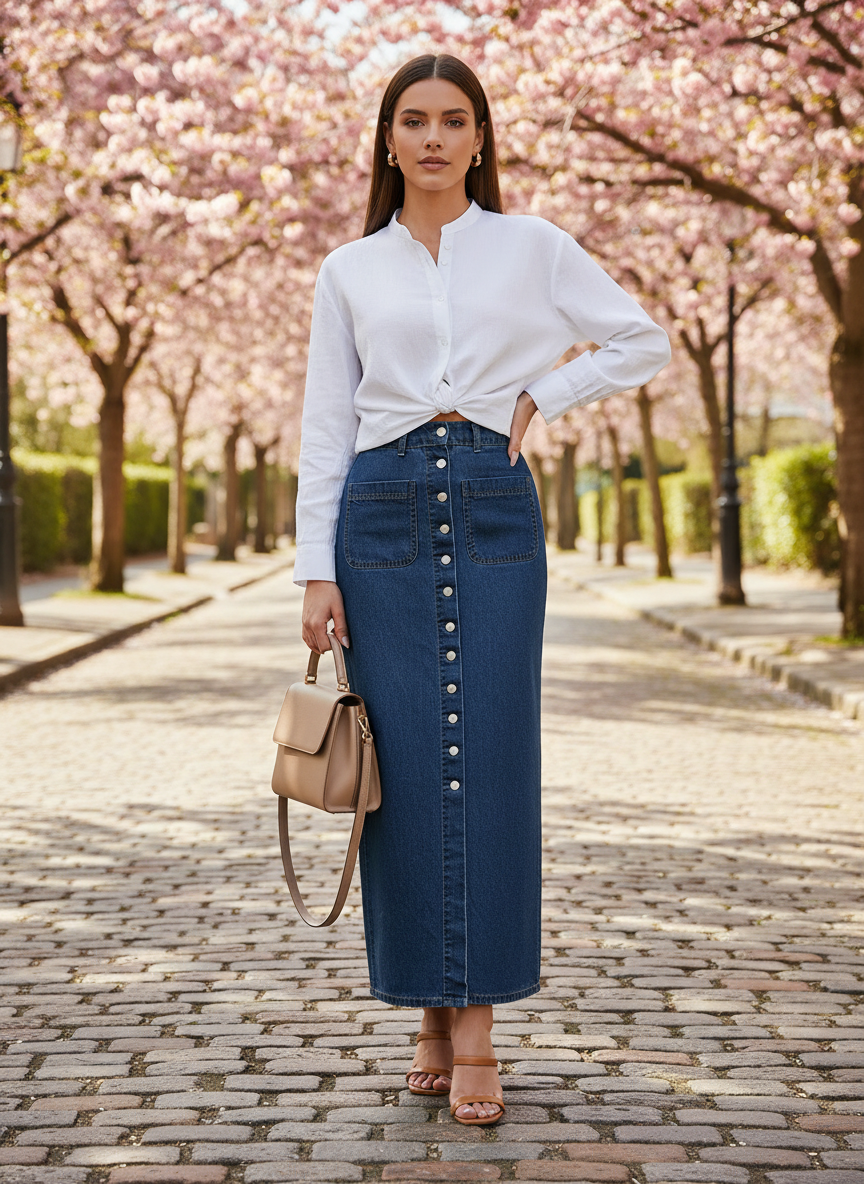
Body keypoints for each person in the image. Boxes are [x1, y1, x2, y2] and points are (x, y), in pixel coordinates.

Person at [293, 52, 670, 1126]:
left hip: (495, 505)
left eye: (454, 121)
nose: (433, 139)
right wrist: (314, 569)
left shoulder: (535, 247)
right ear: (386, 139)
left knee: (493, 757)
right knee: (400, 770)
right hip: (381, 512)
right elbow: (327, 425)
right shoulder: (347, 269)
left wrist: (545, 393)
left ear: (481, 138)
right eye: (413, 120)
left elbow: (644, 339)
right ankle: (425, 1010)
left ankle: (477, 1029)